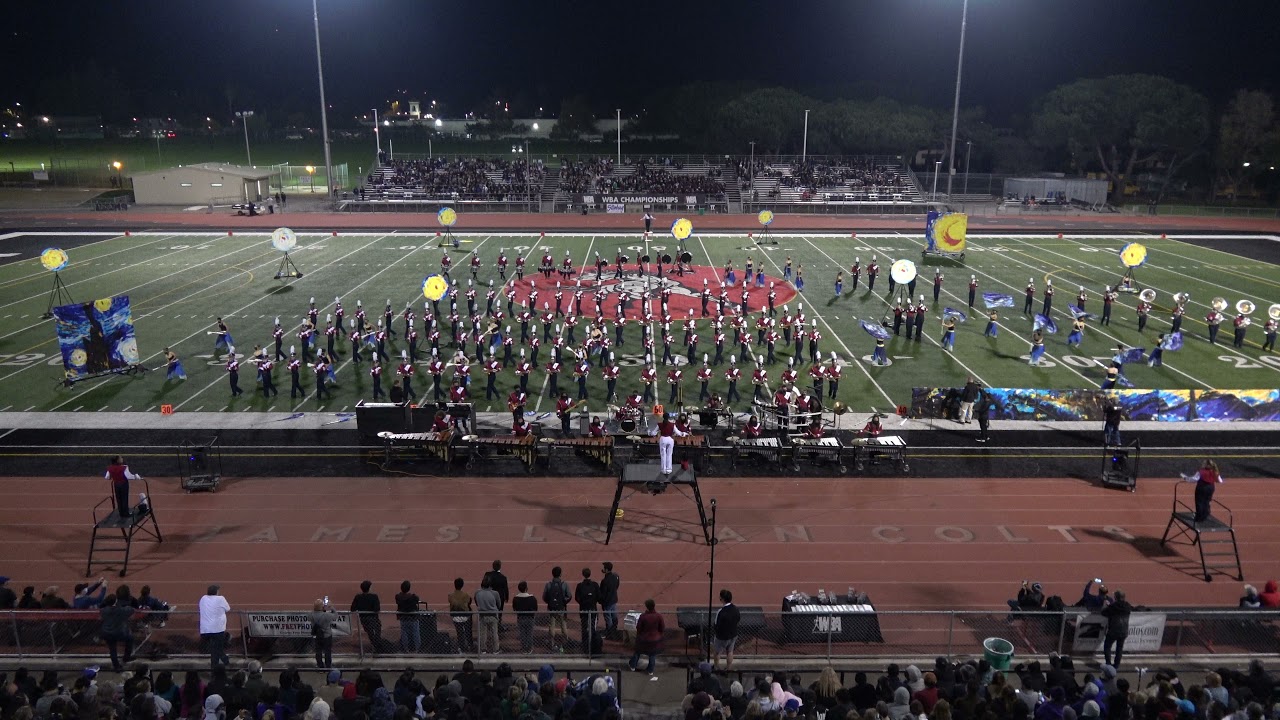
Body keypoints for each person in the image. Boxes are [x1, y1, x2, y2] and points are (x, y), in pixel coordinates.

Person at [99, 594, 136, 671]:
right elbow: (132, 610)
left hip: (107, 633)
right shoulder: (121, 610)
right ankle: (126, 658)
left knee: (112, 649)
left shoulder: (103, 611)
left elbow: (102, 608)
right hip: (119, 633)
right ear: (115, 602)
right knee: (130, 638)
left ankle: (116, 666)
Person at [629, 599, 665, 677]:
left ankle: (632, 666)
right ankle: (650, 670)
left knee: (637, 652)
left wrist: (640, 635)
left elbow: (638, 627)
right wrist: (659, 634)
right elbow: (662, 627)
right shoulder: (658, 616)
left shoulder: (643, 616)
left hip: (644, 639)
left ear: (647, 607)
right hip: (655, 639)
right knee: (652, 655)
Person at [199, 584, 231, 668]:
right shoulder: (221, 599)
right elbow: (228, 609)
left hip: (205, 630)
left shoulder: (203, 598)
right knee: (217, 649)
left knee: (215, 649)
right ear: (216, 592)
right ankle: (223, 663)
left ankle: (220, 664)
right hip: (217, 630)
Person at [542, 566, 572, 652]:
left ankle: (552, 643)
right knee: (563, 626)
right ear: (560, 574)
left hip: (552, 609)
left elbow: (544, 597)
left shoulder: (548, 584)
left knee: (552, 626)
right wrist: (563, 602)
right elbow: (569, 596)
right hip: (561, 608)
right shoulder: (564, 584)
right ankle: (565, 643)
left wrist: (550, 603)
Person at [1100, 589, 1132, 669]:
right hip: (1124, 630)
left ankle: (1108, 664)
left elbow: (1104, 613)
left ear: (1116, 597)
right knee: (1119, 648)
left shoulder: (1113, 606)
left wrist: (1106, 605)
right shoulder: (1127, 606)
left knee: (1107, 646)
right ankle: (1116, 665)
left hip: (1113, 630)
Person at [350, 580, 383, 652]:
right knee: (376, 632)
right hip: (373, 619)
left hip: (363, 619)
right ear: (369, 588)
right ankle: (377, 647)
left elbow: (352, 609)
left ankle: (375, 646)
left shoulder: (358, 597)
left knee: (370, 633)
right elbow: (377, 609)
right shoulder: (374, 596)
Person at [712, 588, 740, 670]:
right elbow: (738, 619)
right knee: (730, 652)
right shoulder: (735, 609)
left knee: (717, 652)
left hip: (722, 636)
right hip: (733, 634)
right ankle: (728, 668)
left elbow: (716, 624)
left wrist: (717, 633)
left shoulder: (721, 611)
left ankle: (716, 667)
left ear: (722, 599)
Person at [575, 567, 601, 655]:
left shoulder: (580, 585)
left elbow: (577, 598)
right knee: (592, 628)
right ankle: (592, 646)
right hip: (593, 610)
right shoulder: (595, 585)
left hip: (583, 610)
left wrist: (583, 603)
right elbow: (599, 597)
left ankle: (585, 646)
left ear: (583, 574)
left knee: (584, 628)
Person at [474, 577, 501, 654]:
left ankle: (483, 649)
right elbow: (498, 604)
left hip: (482, 615)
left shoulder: (477, 593)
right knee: (494, 633)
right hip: (493, 615)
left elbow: (476, 602)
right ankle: (496, 649)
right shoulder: (495, 593)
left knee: (483, 633)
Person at [394, 581, 422, 653]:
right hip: (413, 618)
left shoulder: (398, 597)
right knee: (415, 633)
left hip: (403, 618)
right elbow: (417, 599)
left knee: (404, 633)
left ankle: (406, 649)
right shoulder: (413, 597)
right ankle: (417, 649)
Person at [447, 578, 474, 653]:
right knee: (468, 630)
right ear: (462, 585)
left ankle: (461, 646)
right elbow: (469, 602)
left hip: (456, 617)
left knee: (459, 632)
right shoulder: (465, 595)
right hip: (465, 616)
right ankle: (469, 644)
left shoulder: (450, 596)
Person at [512, 580, 538, 654]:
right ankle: (529, 649)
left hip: (521, 618)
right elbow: (535, 609)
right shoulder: (532, 598)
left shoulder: (516, 599)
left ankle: (524, 648)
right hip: (530, 618)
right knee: (529, 634)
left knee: (522, 634)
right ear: (526, 588)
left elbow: (514, 609)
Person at [311, 597, 337, 669]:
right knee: (327, 651)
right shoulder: (326, 615)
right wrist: (331, 607)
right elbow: (335, 615)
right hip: (327, 636)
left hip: (317, 636)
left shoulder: (311, 615)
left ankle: (320, 666)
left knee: (318, 651)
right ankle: (328, 666)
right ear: (322, 607)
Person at [599, 562, 621, 638]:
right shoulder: (615, 577)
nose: (602, 569)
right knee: (614, 616)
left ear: (607, 569)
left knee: (608, 618)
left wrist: (601, 601)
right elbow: (617, 586)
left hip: (607, 602)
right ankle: (614, 630)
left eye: (604, 568)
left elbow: (602, 593)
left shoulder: (604, 581)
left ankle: (610, 633)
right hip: (614, 600)